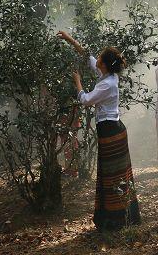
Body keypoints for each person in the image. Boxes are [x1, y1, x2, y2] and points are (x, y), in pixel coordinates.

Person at [57, 31, 141, 231]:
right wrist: (69, 39)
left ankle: (119, 219)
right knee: (112, 175)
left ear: (104, 64)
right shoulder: (106, 75)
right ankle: (117, 217)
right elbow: (87, 56)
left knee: (115, 175)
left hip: (111, 132)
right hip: (111, 130)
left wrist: (77, 82)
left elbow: (86, 101)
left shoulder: (107, 84)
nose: (98, 58)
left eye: (100, 57)